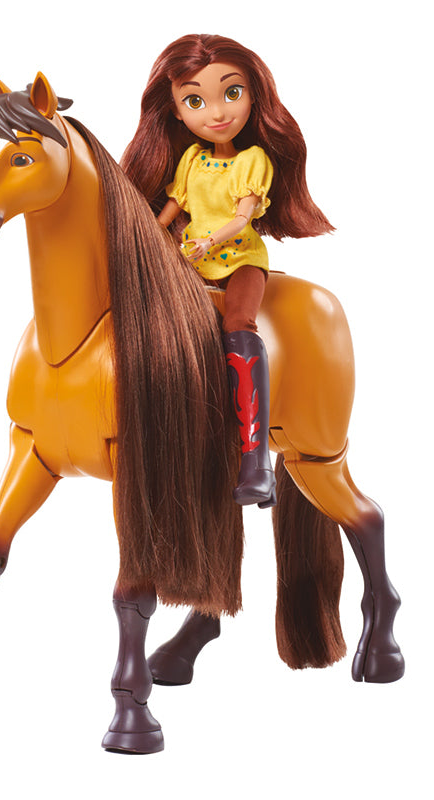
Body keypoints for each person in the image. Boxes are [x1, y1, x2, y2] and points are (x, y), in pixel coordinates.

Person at [122, 34, 333, 508]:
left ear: (253, 96)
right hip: (194, 262)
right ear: (177, 112)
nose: (216, 113)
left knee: (239, 323)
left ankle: (256, 461)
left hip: (240, 261)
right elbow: (174, 206)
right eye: (196, 101)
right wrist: (147, 235)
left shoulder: (252, 161)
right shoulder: (191, 159)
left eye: (231, 93)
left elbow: (241, 218)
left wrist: (209, 241)